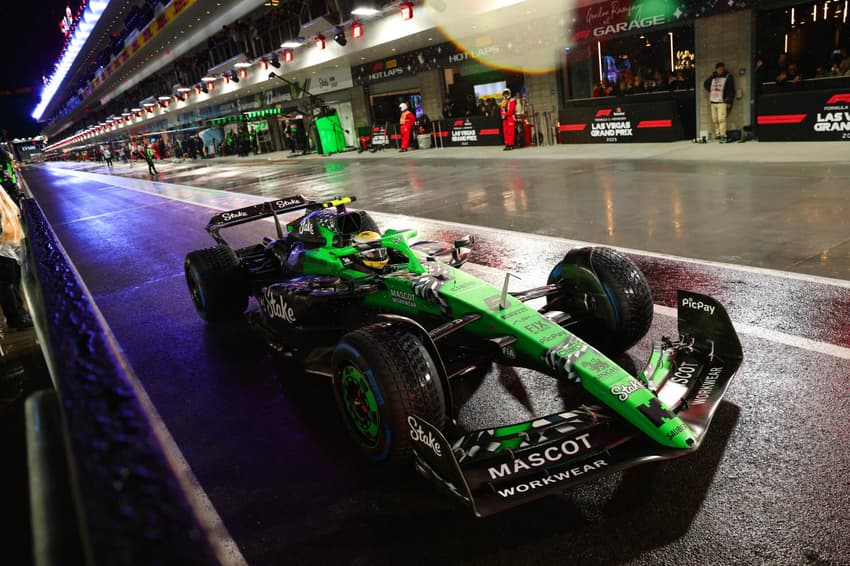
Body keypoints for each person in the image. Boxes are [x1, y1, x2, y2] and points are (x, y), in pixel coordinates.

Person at [0, 163, 31, 331]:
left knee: (12, 281)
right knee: (6, 284)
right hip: (2, 244)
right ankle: (15, 319)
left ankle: (20, 313)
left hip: (8, 241)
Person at [703, 62, 735, 143]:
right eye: (718, 69)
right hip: (713, 101)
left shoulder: (728, 76)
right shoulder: (713, 77)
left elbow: (731, 90)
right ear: (716, 69)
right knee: (715, 119)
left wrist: (729, 101)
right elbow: (705, 84)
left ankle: (723, 135)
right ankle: (718, 134)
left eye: (721, 69)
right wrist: (711, 89)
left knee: (721, 119)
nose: (720, 70)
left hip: (722, 101)